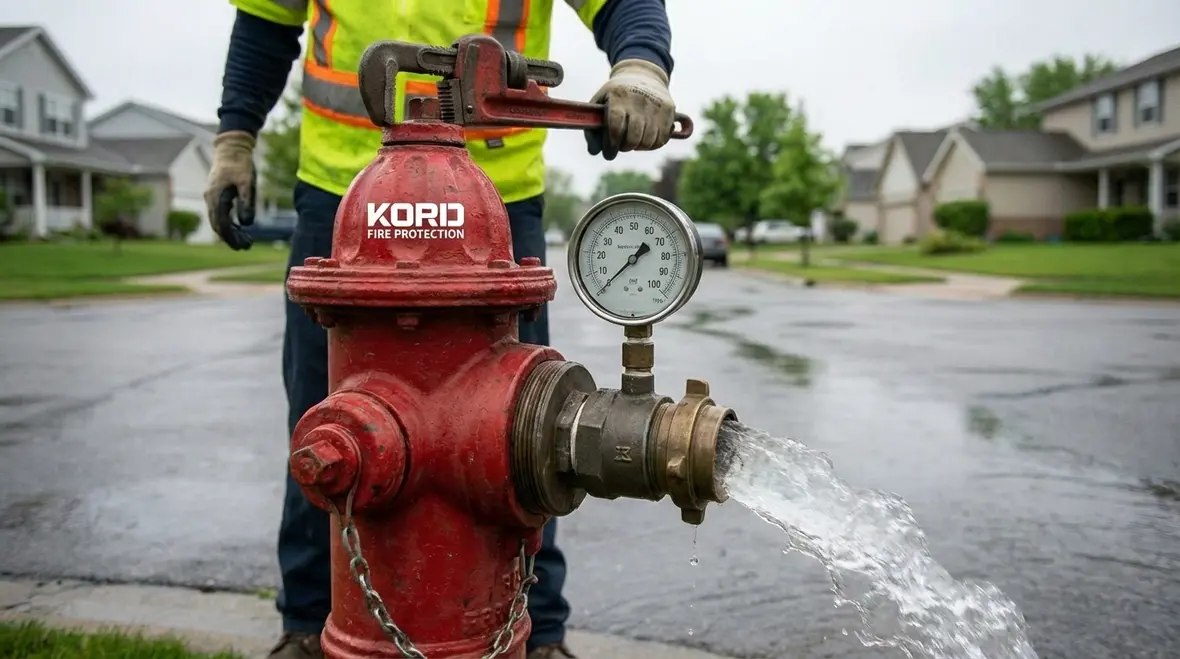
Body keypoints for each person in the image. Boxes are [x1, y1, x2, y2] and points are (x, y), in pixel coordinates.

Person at [204, 1, 678, 658]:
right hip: (344, 186)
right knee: (328, 420)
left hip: (492, 187)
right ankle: (311, 624)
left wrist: (641, 66)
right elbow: (265, 20)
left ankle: (536, 627)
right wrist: (236, 137)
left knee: (521, 427)